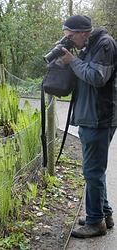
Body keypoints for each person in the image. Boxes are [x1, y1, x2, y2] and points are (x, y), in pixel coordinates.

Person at [59, 15, 117, 238]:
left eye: (71, 37)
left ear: (83, 32)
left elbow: (96, 77)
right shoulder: (88, 46)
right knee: (94, 171)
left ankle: (95, 223)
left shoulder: (105, 44)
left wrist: (72, 61)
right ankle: (104, 214)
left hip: (99, 118)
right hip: (89, 117)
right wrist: (69, 60)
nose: (70, 41)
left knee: (92, 171)